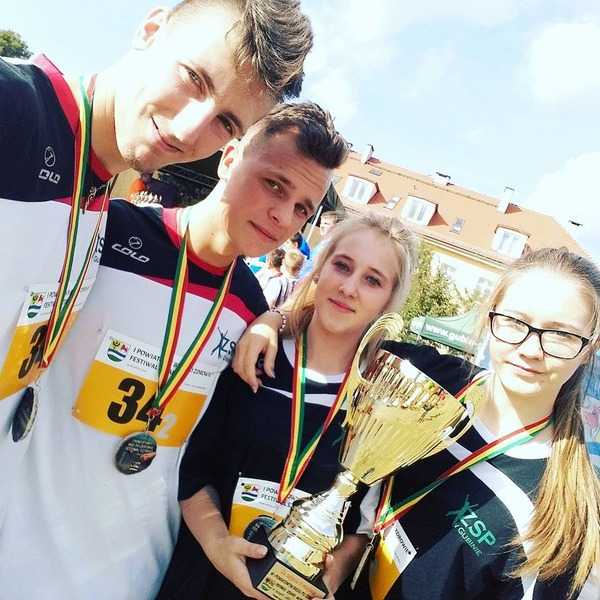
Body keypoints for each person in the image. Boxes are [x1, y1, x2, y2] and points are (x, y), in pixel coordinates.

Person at [0, 102, 348, 600]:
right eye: (275, 185)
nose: (283, 216)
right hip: (19, 551)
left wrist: (276, 317)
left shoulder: (249, 307)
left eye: (302, 210)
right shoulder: (110, 231)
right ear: (230, 159)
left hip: (134, 572)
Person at [0, 0, 313, 526]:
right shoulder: (13, 107)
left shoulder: (95, 197)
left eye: (225, 122)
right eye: (194, 79)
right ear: (150, 29)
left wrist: (275, 316)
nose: (189, 131)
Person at [234, 246, 600, 598]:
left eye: (561, 335)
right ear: (491, 317)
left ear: (590, 348)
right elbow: (336, 333)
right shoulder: (425, 378)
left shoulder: (560, 511)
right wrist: (275, 320)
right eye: (515, 321)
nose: (531, 349)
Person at [157, 212, 419, 600]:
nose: (348, 288)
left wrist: (326, 581)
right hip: (203, 578)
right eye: (342, 265)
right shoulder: (254, 356)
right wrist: (216, 543)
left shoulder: (380, 400)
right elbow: (193, 468)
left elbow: (359, 528)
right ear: (320, 267)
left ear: (388, 301)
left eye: (372, 280)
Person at [299, 210, 341, 277]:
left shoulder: (330, 246)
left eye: (326, 224)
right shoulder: (324, 242)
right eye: (321, 223)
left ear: (336, 227)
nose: (322, 226)